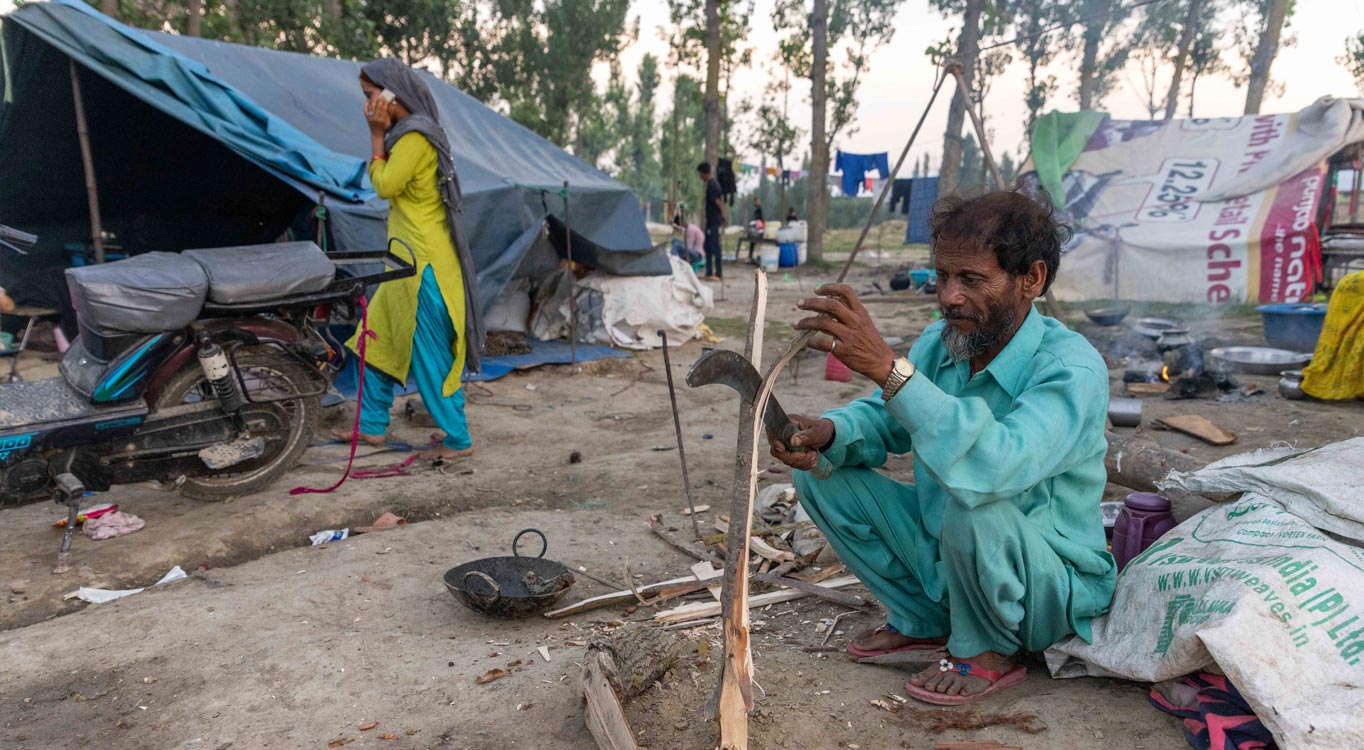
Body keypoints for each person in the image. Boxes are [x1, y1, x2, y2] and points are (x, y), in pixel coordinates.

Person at [769, 190, 1114, 706]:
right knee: (821, 475)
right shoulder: (943, 341)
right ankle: (927, 619)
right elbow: (888, 417)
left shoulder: (1071, 369)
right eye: (944, 276)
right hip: (954, 551)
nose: (949, 296)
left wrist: (888, 368)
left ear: (1031, 279)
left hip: (1049, 586)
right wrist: (831, 432)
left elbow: (997, 466)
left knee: (972, 504)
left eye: (971, 280)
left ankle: (991, 648)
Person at [332, 58, 485, 461]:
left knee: (431, 356)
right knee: (375, 341)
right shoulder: (412, 135)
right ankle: (372, 425)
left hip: (423, 270)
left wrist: (375, 136)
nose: (366, 104)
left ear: (389, 94)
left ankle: (458, 438)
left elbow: (383, 185)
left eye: (369, 95)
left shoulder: (414, 140)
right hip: (403, 265)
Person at [697, 162, 726, 281]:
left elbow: (718, 202)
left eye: (699, 174)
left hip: (714, 221)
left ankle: (718, 273)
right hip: (711, 221)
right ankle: (709, 272)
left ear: (704, 173)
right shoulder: (711, 184)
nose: (699, 176)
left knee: (715, 247)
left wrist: (723, 215)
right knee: (707, 246)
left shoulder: (712, 185)